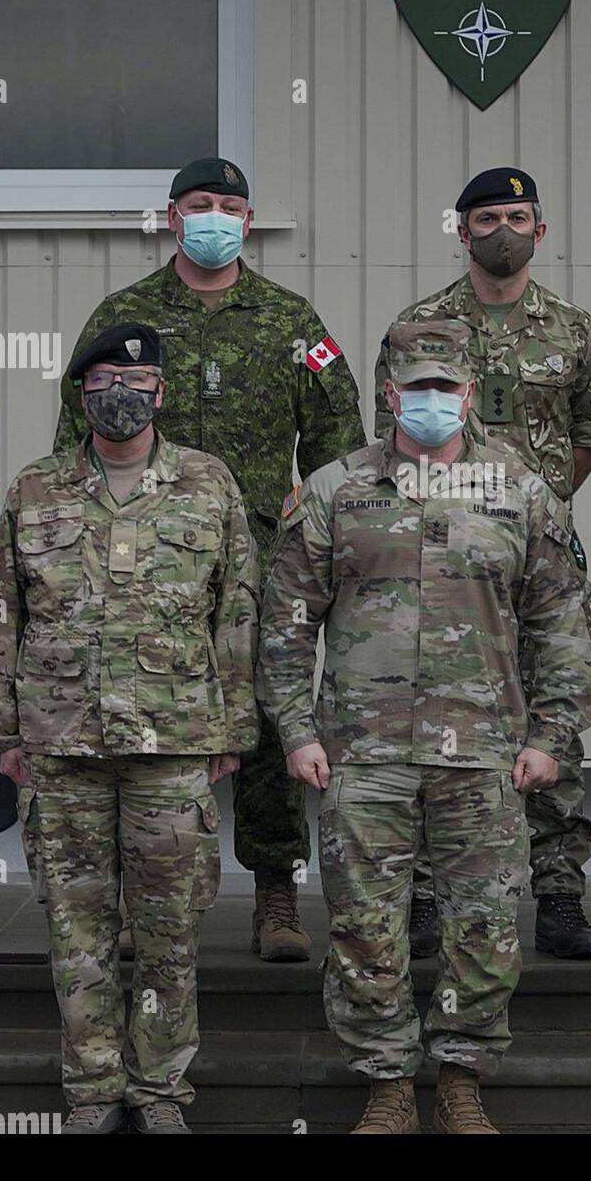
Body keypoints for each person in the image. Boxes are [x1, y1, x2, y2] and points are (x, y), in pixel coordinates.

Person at [259, 320, 591, 1133]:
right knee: (365, 923)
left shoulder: (518, 490)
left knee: (481, 923)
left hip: (483, 751)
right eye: (418, 388)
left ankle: (460, 1075)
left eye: (447, 388)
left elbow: (561, 620)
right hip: (361, 752)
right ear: (389, 394)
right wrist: (297, 730)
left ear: (470, 394)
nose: (433, 402)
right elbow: (283, 621)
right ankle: (383, 1082)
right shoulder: (336, 489)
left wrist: (552, 735)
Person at [50, 158, 367, 963]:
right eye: (201, 204)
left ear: (249, 222)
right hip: (138, 557)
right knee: (136, 718)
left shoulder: (295, 322)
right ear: (171, 217)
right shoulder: (124, 314)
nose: (215, 216)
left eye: (230, 205)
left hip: (258, 558)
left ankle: (274, 895)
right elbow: (71, 445)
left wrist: (327, 540)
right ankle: (127, 906)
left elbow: (338, 444)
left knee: (264, 717)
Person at [0, 324, 259, 1134]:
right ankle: (93, 1091)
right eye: (100, 380)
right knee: (79, 933)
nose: (119, 392)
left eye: (135, 378)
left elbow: (238, 605)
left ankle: (161, 1091)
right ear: (80, 393)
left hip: (173, 747)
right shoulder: (37, 488)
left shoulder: (209, 484)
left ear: (162, 390)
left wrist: (233, 727)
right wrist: (5, 734)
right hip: (61, 749)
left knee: (171, 932)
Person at [373, 168, 591, 960]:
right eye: (486, 218)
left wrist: (525, 513)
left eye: (517, 216)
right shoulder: (420, 325)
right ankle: (421, 896)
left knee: (552, 706)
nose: (501, 229)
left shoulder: (575, 330)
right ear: (462, 229)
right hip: (432, 550)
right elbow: (396, 432)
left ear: (539, 231)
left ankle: (557, 891)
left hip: (535, 554)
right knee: (427, 707)